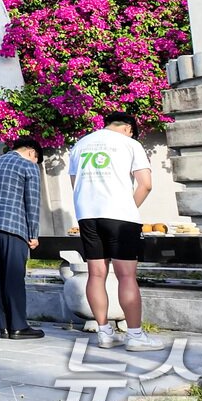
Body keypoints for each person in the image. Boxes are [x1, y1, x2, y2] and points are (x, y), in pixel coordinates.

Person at [68, 112, 164, 352]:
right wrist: (130, 207)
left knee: (96, 274)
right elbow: (146, 184)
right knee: (126, 275)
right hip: (120, 216)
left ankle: (104, 333)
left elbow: (75, 183)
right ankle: (134, 335)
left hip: (87, 216)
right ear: (128, 128)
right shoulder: (130, 144)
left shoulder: (80, 144)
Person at [0, 138, 45, 340]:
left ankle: (3, 326)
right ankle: (19, 326)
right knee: (13, 275)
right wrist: (33, 234)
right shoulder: (28, 166)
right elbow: (32, 202)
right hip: (11, 225)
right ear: (32, 153)